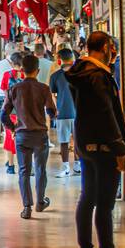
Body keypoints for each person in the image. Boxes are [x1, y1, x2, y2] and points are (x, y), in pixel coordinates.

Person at [67, 31, 125, 248]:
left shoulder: (82, 71)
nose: (114, 52)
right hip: (104, 147)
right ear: (106, 47)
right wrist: (119, 148)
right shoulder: (97, 75)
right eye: (112, 47)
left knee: (88, 198)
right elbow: (106, 114)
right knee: (105, 204)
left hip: (87, 145)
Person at [1, 52, 56, 219]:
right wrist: (50, 115)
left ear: (22, 71)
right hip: (39, 135)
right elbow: (51, 111)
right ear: (37, 71)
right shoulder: (44, 89)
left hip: (22, 135)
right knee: (40, 169)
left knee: (24, 171)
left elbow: (3, 115)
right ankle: (40, 202)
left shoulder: (14, 89)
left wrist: (12, 129)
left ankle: (27, 208)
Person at [49, 47, 82, 176]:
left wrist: (56, 108)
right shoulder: (80, 74)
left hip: (62, 113)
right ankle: (77, 165)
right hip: (78, 113)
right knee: (77, 140)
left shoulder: (55, 77)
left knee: (64, 141)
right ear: (73, 60)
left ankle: (66, 167)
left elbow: (53, 95)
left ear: (59, 60)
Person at [0, 51, 23, 174]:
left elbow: (4, 91)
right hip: (23, 111)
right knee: (23, 137)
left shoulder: (6, 75)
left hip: (10, 111)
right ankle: (23, 165)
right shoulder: (24, 75)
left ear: (12, 63)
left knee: (10, 137)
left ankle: (11, 166)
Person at [0, 46, 15, 141]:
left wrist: (0, 92)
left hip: (3, 96)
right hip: (18, 97)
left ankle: (8, 136)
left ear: (5, 52)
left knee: (5, 117)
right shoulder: (20, 64)